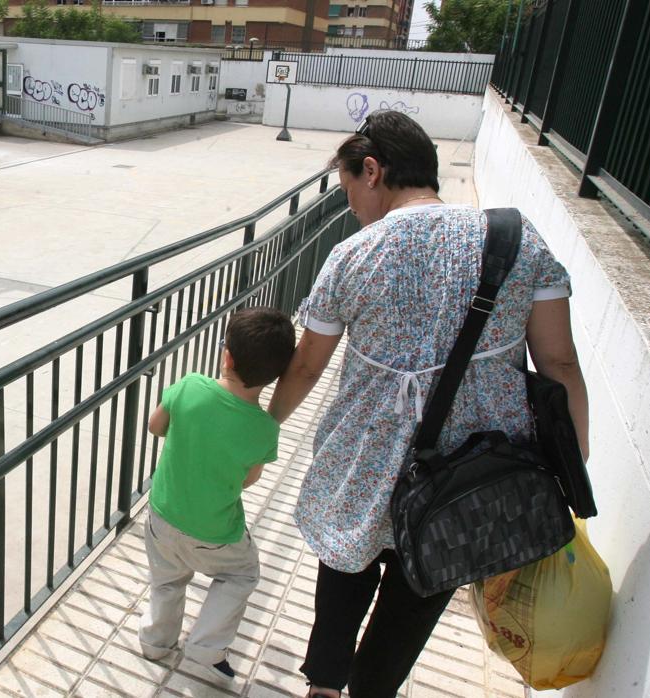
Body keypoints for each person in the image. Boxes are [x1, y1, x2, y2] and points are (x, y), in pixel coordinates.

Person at [267, 111, 590, 698]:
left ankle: (323, 686)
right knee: (423, 587)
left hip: (363, 462)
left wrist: (266, 429)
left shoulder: (353, 256)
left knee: (345, 566)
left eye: (349, 192)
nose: (352, 208)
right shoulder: (518, 242)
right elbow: (560, 365)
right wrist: (574, 466)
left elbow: (309, 366)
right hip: (468, 470)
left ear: (373, 170)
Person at [139, 307, 296, 687]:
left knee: (167, 580)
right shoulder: (264, 429)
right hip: (215, 533)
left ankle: (156, 643)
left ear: (227, 355)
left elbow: (155, 426)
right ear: (278, 374)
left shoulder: (190, 385)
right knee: (242, 574)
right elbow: (248, 481)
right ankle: (208, 645)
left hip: (162, 516)